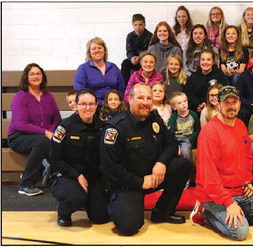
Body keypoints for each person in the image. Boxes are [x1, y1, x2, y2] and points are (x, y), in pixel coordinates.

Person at [101, 83, 192, 236]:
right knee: (129, 226)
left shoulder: (154, 119)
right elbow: (111, 168)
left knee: (182, 165)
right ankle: (113, 203)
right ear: (130, 99)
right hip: (128, 184)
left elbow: (171, 143)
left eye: (148, 98)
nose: (145, 102)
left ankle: (162, 211)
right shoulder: (116, 128)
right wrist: (140, 182)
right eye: (140, 98)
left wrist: (161, 162)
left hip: (153, 177)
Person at [192, 85, 253, 240]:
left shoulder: (241, 125)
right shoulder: (209, 133)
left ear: (239, 103)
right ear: (218, 104)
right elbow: (208, 175)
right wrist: (229, 203)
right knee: (240, 233)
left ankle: (236, 213)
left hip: (240, 188)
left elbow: (246, 158)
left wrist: (247, 180)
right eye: (226, 102)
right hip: (214, 194)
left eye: (234, 102)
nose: (231, 106)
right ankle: (205, 213)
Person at [49, 89, 109, 226]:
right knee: (75, 198)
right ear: (76, 105)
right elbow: (54, 159)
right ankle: (64, 211)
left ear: (96, 106)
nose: (87, 108)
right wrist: (77, 176)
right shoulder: (64, 127)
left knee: (100, 217)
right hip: (68, 174)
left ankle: (89, 201)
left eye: (91, 104)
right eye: (83, 104)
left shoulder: (102, 127)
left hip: (93, 177)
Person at [8, 63, 62, 196]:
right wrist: (46, 132)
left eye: (38, 73)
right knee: (42, 142)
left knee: (60, 140)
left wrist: (50, 131)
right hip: (18, 136)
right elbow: (21, 125)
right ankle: (26, 184)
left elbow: (57, 119)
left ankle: (55, 175)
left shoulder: (48, 96)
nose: (36, 76)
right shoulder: (20, 97)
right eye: (32, 74)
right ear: (26, 77)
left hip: (42, 137)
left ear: (43, 76)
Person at [74, 37, 126, 105]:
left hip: (114, 105)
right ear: (89, 52)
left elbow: (121, 88)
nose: (97, 50)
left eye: (99, 48)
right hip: (93, 106)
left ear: (104, 50)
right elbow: (80, 91)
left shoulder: (114, 67)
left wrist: (117, 102)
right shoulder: (82, 69)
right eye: (93, 49)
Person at [168, 92, 200, 165]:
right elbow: (171, 132)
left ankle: (187, 168)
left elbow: (197, 130)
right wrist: (176, 145)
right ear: (174, 107)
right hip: (176, 139)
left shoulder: (193, 115)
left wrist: (190, 138)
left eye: (185, 101)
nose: (183, 104)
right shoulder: (173, 118)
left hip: (188, 139)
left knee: (185, 150)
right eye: (179, 103)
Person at [121, 14, 153, 83]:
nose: (138, 27)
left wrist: (140, 57)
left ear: (145, 25)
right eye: (135, 25)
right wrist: (132, 58)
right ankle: (126, 85)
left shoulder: (150, 36)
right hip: (133, 60)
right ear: (132, 25)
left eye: (140, 25)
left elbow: (150, 51)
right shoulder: (130, 36)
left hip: (144, 60)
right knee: (125, 63)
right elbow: (129, 50)